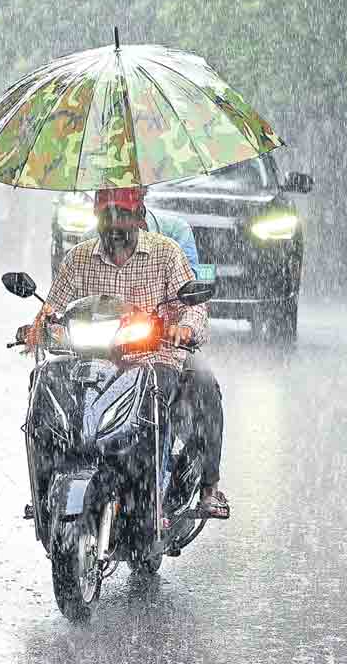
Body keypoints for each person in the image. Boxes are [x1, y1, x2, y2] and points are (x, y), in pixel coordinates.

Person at [28, 186, 230, 518]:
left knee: (197, 387)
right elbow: (52, 310)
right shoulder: (78, 259)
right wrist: (37, 329)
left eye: (123, 214)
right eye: (107, 215)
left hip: (152, 360)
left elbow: (194, 309)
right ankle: (46, 487)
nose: (115, 224)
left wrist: (184, 328)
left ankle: (199, 489)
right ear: (96, 218)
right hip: (90, 363)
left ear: (139, 217)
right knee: (44, 382)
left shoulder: (167, 252)